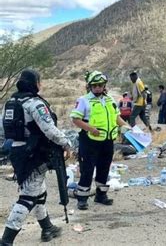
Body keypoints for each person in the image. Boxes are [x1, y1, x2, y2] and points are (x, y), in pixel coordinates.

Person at [0, 69, 72, 245]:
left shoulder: (10, 103)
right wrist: (67, 143)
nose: (41, 84)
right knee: (28, 197)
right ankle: (6, 240)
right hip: (34, 154)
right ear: (35, 83)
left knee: (38, 192)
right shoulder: (34, 103)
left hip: (18, 152)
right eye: (40, 81)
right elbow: (49, 130)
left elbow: (3, 130)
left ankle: (47, 227)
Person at [70, 71, 131, 210]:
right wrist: (91, 129)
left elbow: (116, 117)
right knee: (87, 169)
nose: (98, 87)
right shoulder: (84, 100)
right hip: (89, 140)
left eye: (100, 85)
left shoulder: (109, 100)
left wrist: (125, 126)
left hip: (107, 140)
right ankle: (82, 199)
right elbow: (75, 119)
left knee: (104, 168)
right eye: (95, 85)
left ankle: (101, 195)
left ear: (104, 86)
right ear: (90, 86)